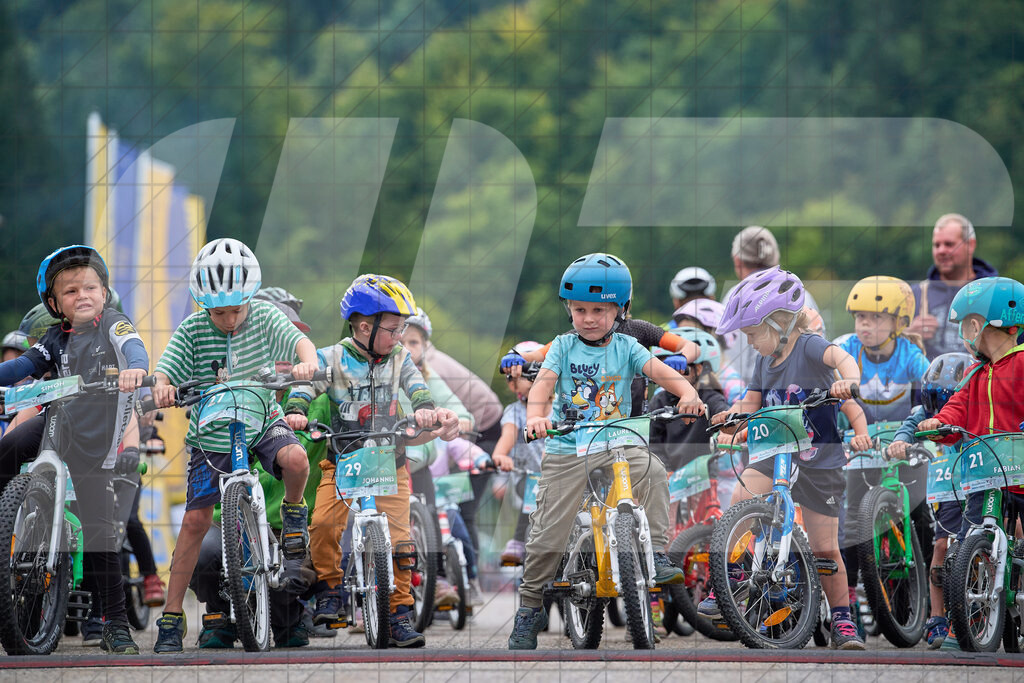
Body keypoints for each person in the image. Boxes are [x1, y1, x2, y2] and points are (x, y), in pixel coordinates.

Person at [507, 252, 705, 650]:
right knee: (548, 530)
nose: (589, 318)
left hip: (620, 441)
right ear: (569, 311)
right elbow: (543, 385)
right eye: (579, 310)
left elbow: (662, 372)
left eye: (599, 309)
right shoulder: (563, 347)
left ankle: (658, 554)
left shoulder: (629, 346)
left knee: (652, 471)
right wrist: (536, 417)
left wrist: (688, 392)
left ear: (621, 310)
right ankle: (530, 606)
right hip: (569, 446)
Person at [149, 238, 320, 653]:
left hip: (262, 421)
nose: (228, 319)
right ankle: (171, 618)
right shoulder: (191, 328)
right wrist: (162, 387)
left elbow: (300, 344)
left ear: (250, 299)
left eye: (236, 310)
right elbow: (164, 371)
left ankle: (295, 521)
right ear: (203, 303)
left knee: (296, 458)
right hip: (211, 435)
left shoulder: (264, 315)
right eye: (218, 312)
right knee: (193, 523)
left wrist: (307, 361)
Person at [284, 274, 460, 648]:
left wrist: (426, 409)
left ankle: (399, 614)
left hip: (388, 464)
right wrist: (297, 410)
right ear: (365, 326)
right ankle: (330, 589)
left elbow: (417, 386)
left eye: (402, 331)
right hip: (343, 461)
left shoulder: (400, 358)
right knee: (323, 524)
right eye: (394, 330)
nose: (399, 338)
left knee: (401, 542)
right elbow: (305, 384)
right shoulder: (330, 358)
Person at [700, 265, 868, 650]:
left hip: (818, 461)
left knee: (826, 547)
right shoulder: (763, 361)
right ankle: (733, 575)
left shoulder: (808, 346)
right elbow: (751, 403)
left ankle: (842, 620)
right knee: (741, 500)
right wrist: (731, 420)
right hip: (775, 452)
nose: (750, 341)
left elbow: (841, 358)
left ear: (780, 323)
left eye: (753, 333)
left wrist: (848, 379)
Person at [0, 245, 149, 654]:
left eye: (90, 287)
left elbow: (133, 345)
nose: (81, 296)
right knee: (9, 445)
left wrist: (136, 368)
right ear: (54, 304)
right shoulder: (54, 339)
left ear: (104, 292)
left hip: (94, 443)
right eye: (69, 292)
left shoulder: (114, 326)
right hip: (57, 424)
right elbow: (22, 367)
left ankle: (116, 625)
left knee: (101, 533)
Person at [190, 295, 320, 650]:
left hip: (287, 525)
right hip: (228, 522)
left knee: (295, 568)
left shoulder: (314, 402)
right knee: (203, 554)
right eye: (270, 346)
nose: (280, 359)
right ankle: (217, 617)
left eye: (288, 347)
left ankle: (292, 615)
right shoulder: (224, 403)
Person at [838, 275, 931, 638]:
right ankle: (846, 604)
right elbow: (833, 382)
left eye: (876, 318)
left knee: (920, 516)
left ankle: (917, 585)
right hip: (859, 447)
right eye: (861, 318)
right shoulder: (847, 347)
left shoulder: (910, 355)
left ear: (899, 323)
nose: (866, 326)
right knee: (849, 524)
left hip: (902, 448)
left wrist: (919, 429)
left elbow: (928, 396)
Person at [918, 277, 1024, 538]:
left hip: (1021, 476)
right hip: (985, 478)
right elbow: (957, 406)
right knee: (970, 540)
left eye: (963, 326)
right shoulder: (974, 373)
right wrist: (940, 424)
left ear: (975, 326)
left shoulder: (1021, 363)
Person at [887, 352, 972, 649]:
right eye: (935, 401)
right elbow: (912, 422)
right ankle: (936, 617)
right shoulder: (926, 411)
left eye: (947, 401)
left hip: (984, 481)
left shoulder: (976, 400)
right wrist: (901, 440)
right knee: (941, 548)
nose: (940, 409)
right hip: (950, 487)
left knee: (995, 545)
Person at [907, 214, 998, 358]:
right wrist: (909, 335)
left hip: (981, 380)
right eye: (936, 245)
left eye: (949, 244)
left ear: (971, 244)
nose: (941, 251)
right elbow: (881, 352)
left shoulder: (997, 294)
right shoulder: (913, 296)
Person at [492, 348, 549, 566]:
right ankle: (517, 540)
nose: (510, 381)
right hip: (529, 477)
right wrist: (500, 455)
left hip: (561, 472)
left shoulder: (562, 407)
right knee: (534, 492)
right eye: (508, 377)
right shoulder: (514, 412)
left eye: (516, 376)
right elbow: (507, 436)